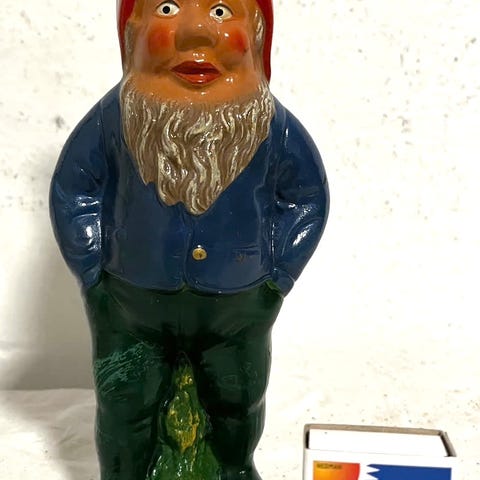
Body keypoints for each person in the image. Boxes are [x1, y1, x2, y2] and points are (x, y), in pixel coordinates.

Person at [50, 0, 329, 479]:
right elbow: (73, 190)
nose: (196, 31)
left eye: (221, 11)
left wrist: (278, 278)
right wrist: (91, 271)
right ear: (131, 34)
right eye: (167, 8)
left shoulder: (273, 125)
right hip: (130, 301)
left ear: (257, 36)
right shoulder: (112, 118)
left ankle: (233, 468)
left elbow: (307, 199)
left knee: (238, 396)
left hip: (237, 304)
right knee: (125, 401)